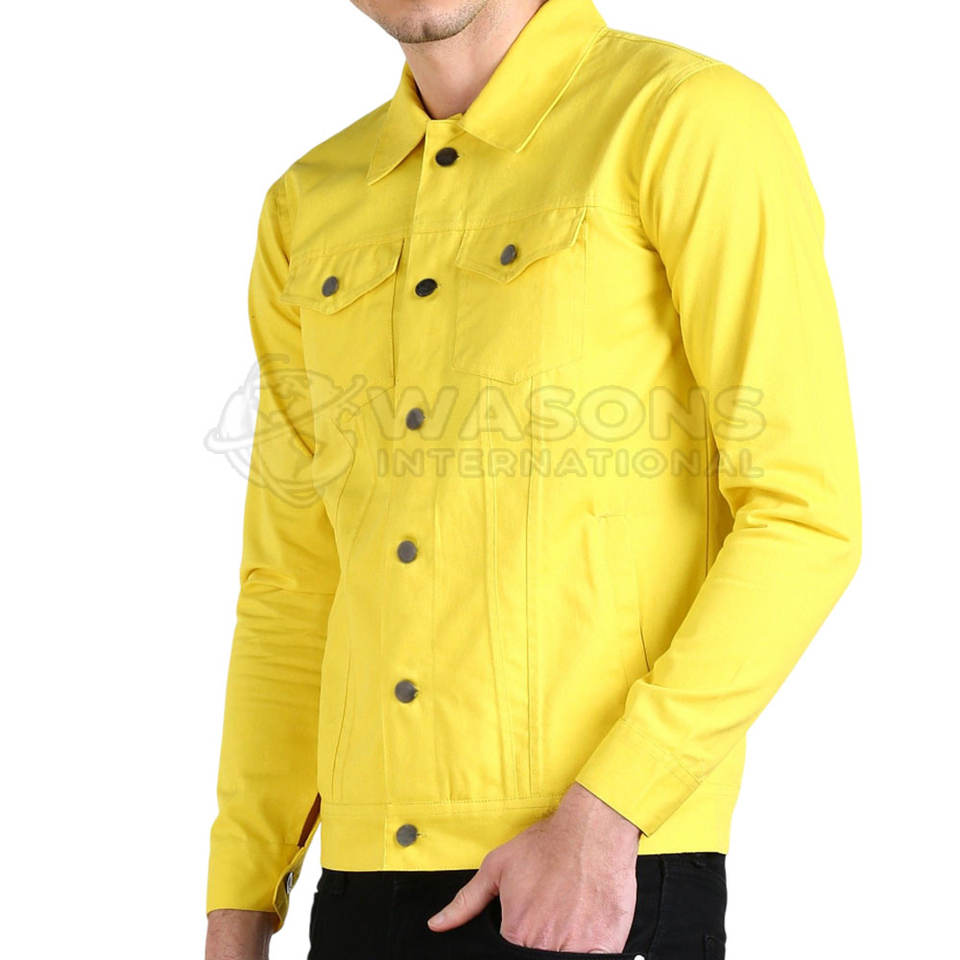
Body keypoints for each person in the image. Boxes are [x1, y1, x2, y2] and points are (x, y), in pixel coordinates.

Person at [204, 1, 862, 957]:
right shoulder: (308, 204)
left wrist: (610, 810)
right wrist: (239, 903)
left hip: (592, 871)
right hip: (359, 891)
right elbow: (293, 586)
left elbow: (804, 516)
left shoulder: (685, 120)